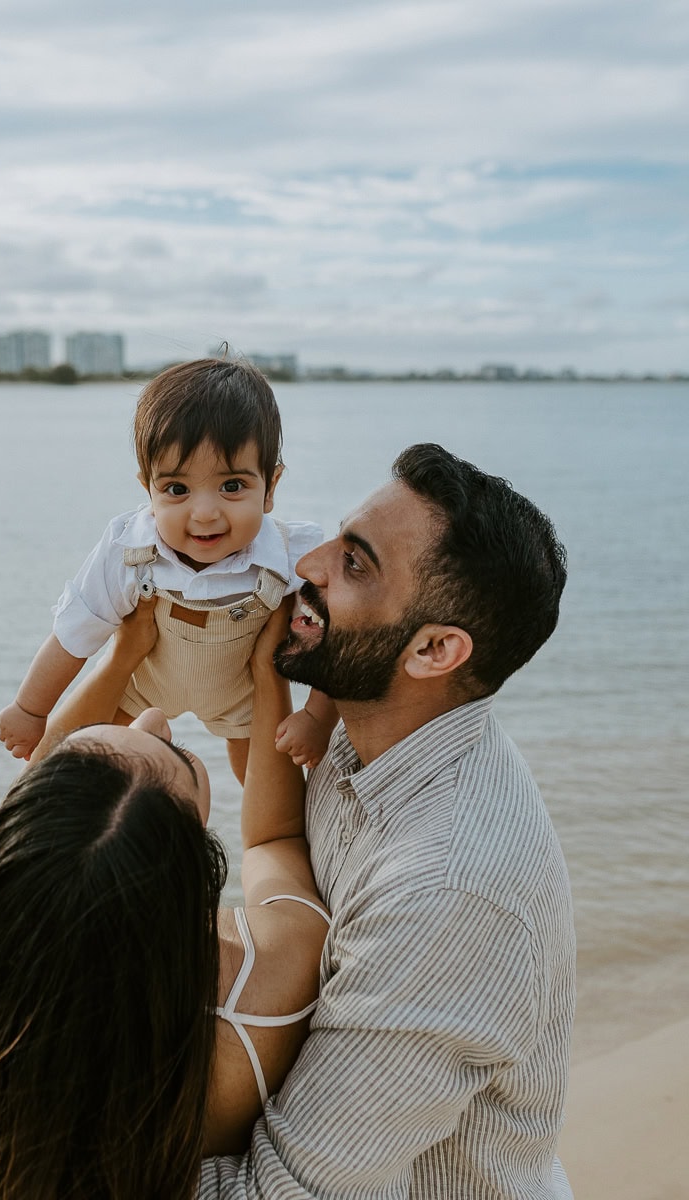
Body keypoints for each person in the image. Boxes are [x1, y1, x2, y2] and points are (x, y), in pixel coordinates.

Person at [198, 443, 576, 1198]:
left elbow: (284, 1193)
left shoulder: (450, 893)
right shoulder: (369, 722)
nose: (310, 565)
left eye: (356, 564)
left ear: (436, 650)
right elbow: (278, 850)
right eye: (338, 538)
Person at [0, 601, 331, 1200]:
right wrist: (266, 675)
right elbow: (275, 839)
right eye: (178, 757)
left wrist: (124, 654)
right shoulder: (261, 989)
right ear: (193, 874)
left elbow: (43, 795)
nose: (156, 719)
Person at [0, 357, 337, 782]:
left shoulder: (290, 556)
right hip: (143, 686)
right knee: (80, 765)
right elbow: (74, 633)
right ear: (148, 490)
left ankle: (272, 842)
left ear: (271, 488)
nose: (206, 513)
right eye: (177, 489)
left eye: (232, 486)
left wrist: (317, 718)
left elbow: (335, 637)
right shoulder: (130, 549)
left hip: (242, 698)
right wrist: (31, 708)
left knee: (266, 785)